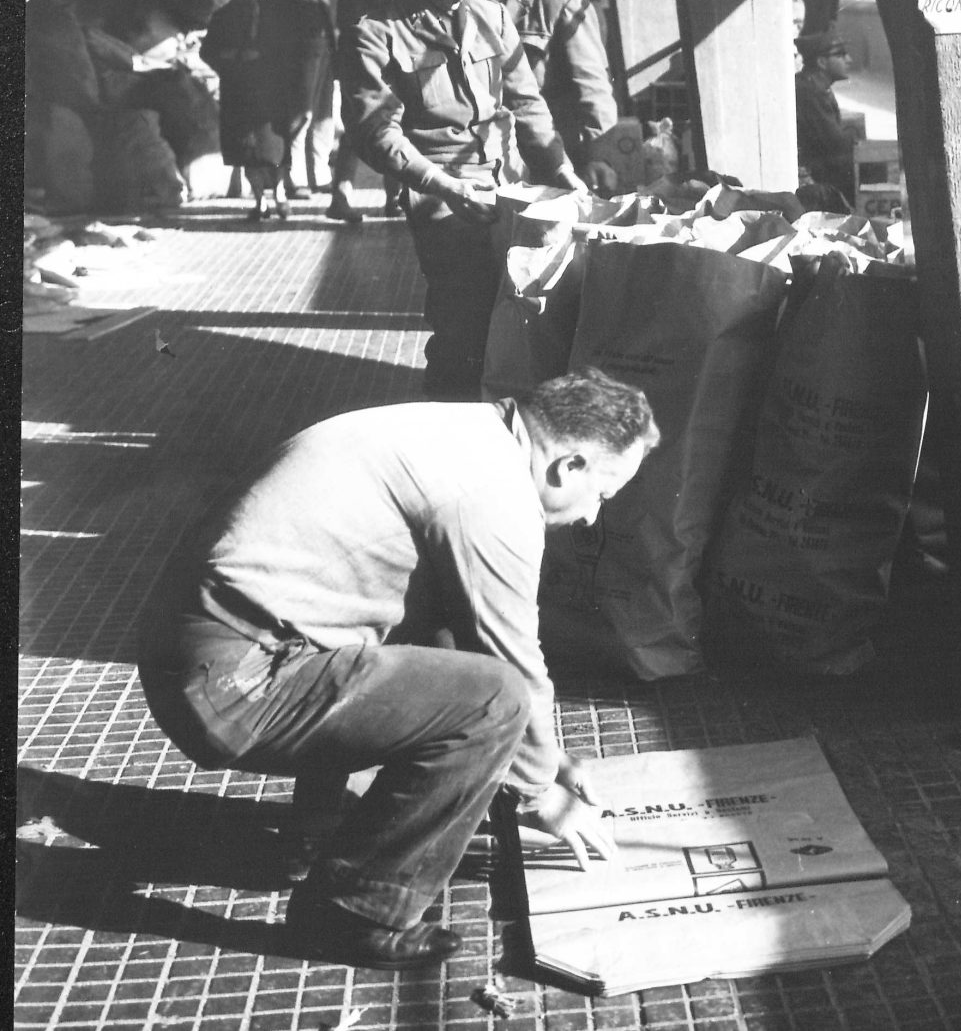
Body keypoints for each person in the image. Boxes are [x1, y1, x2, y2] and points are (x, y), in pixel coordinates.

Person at [136, 367, 660, 971]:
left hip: (201, 647)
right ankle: (351, 914)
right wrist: (541, 791)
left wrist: (549, 756)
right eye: (602, 494)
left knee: (447, 632)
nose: (593, 516)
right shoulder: (492, 494)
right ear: (566, 465)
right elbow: (511, 656)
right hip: (234, 682)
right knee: (496, 700)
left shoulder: (464, 433)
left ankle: (321, 833)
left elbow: (464, 636)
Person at [339, 0, 589, 400]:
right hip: (439, 193)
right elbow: (375, 131)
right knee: (463, 322)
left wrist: (566, 175)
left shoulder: (491, 16)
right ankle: (449, 420)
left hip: (508, 184)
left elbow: (528, 105)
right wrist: (445, 186)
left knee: (521, 315)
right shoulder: (377, 32)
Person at [475, 0, 617, 185]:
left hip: (561, 155)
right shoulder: (468, 4)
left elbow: (593, 87)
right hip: (496, 158)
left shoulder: (557, 1)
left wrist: (598, 156)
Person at [325, 0, 416, 223]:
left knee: (396, 123)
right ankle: (340, 197)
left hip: (391, 63)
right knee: (355, 128)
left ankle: (395, 198)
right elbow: (349, 20)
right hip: (360, 65)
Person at [200, 0, 288, 221]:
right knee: (246, 149)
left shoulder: (270, 14)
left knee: (274, 146)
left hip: (268, 90)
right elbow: (208, 52)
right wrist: (230, 59)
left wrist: (262, 57)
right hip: (237, 90)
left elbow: (284, 49)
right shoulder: (222, 16)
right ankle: (260, 200)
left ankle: (280, 194)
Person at [259, 0, 336, 201]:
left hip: (324, 60)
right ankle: (296, 179)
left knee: (324, 119)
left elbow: (330, 25)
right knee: (298, 120)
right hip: (296, 63)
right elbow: (268, 31)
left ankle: (321, 175)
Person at [794, 24, 857, 209]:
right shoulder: (812, 92)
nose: (849, 59)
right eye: (840, 55)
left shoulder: (816, 85)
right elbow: (836, 143)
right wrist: (854, 133)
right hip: (812, 179)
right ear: (821, 62)